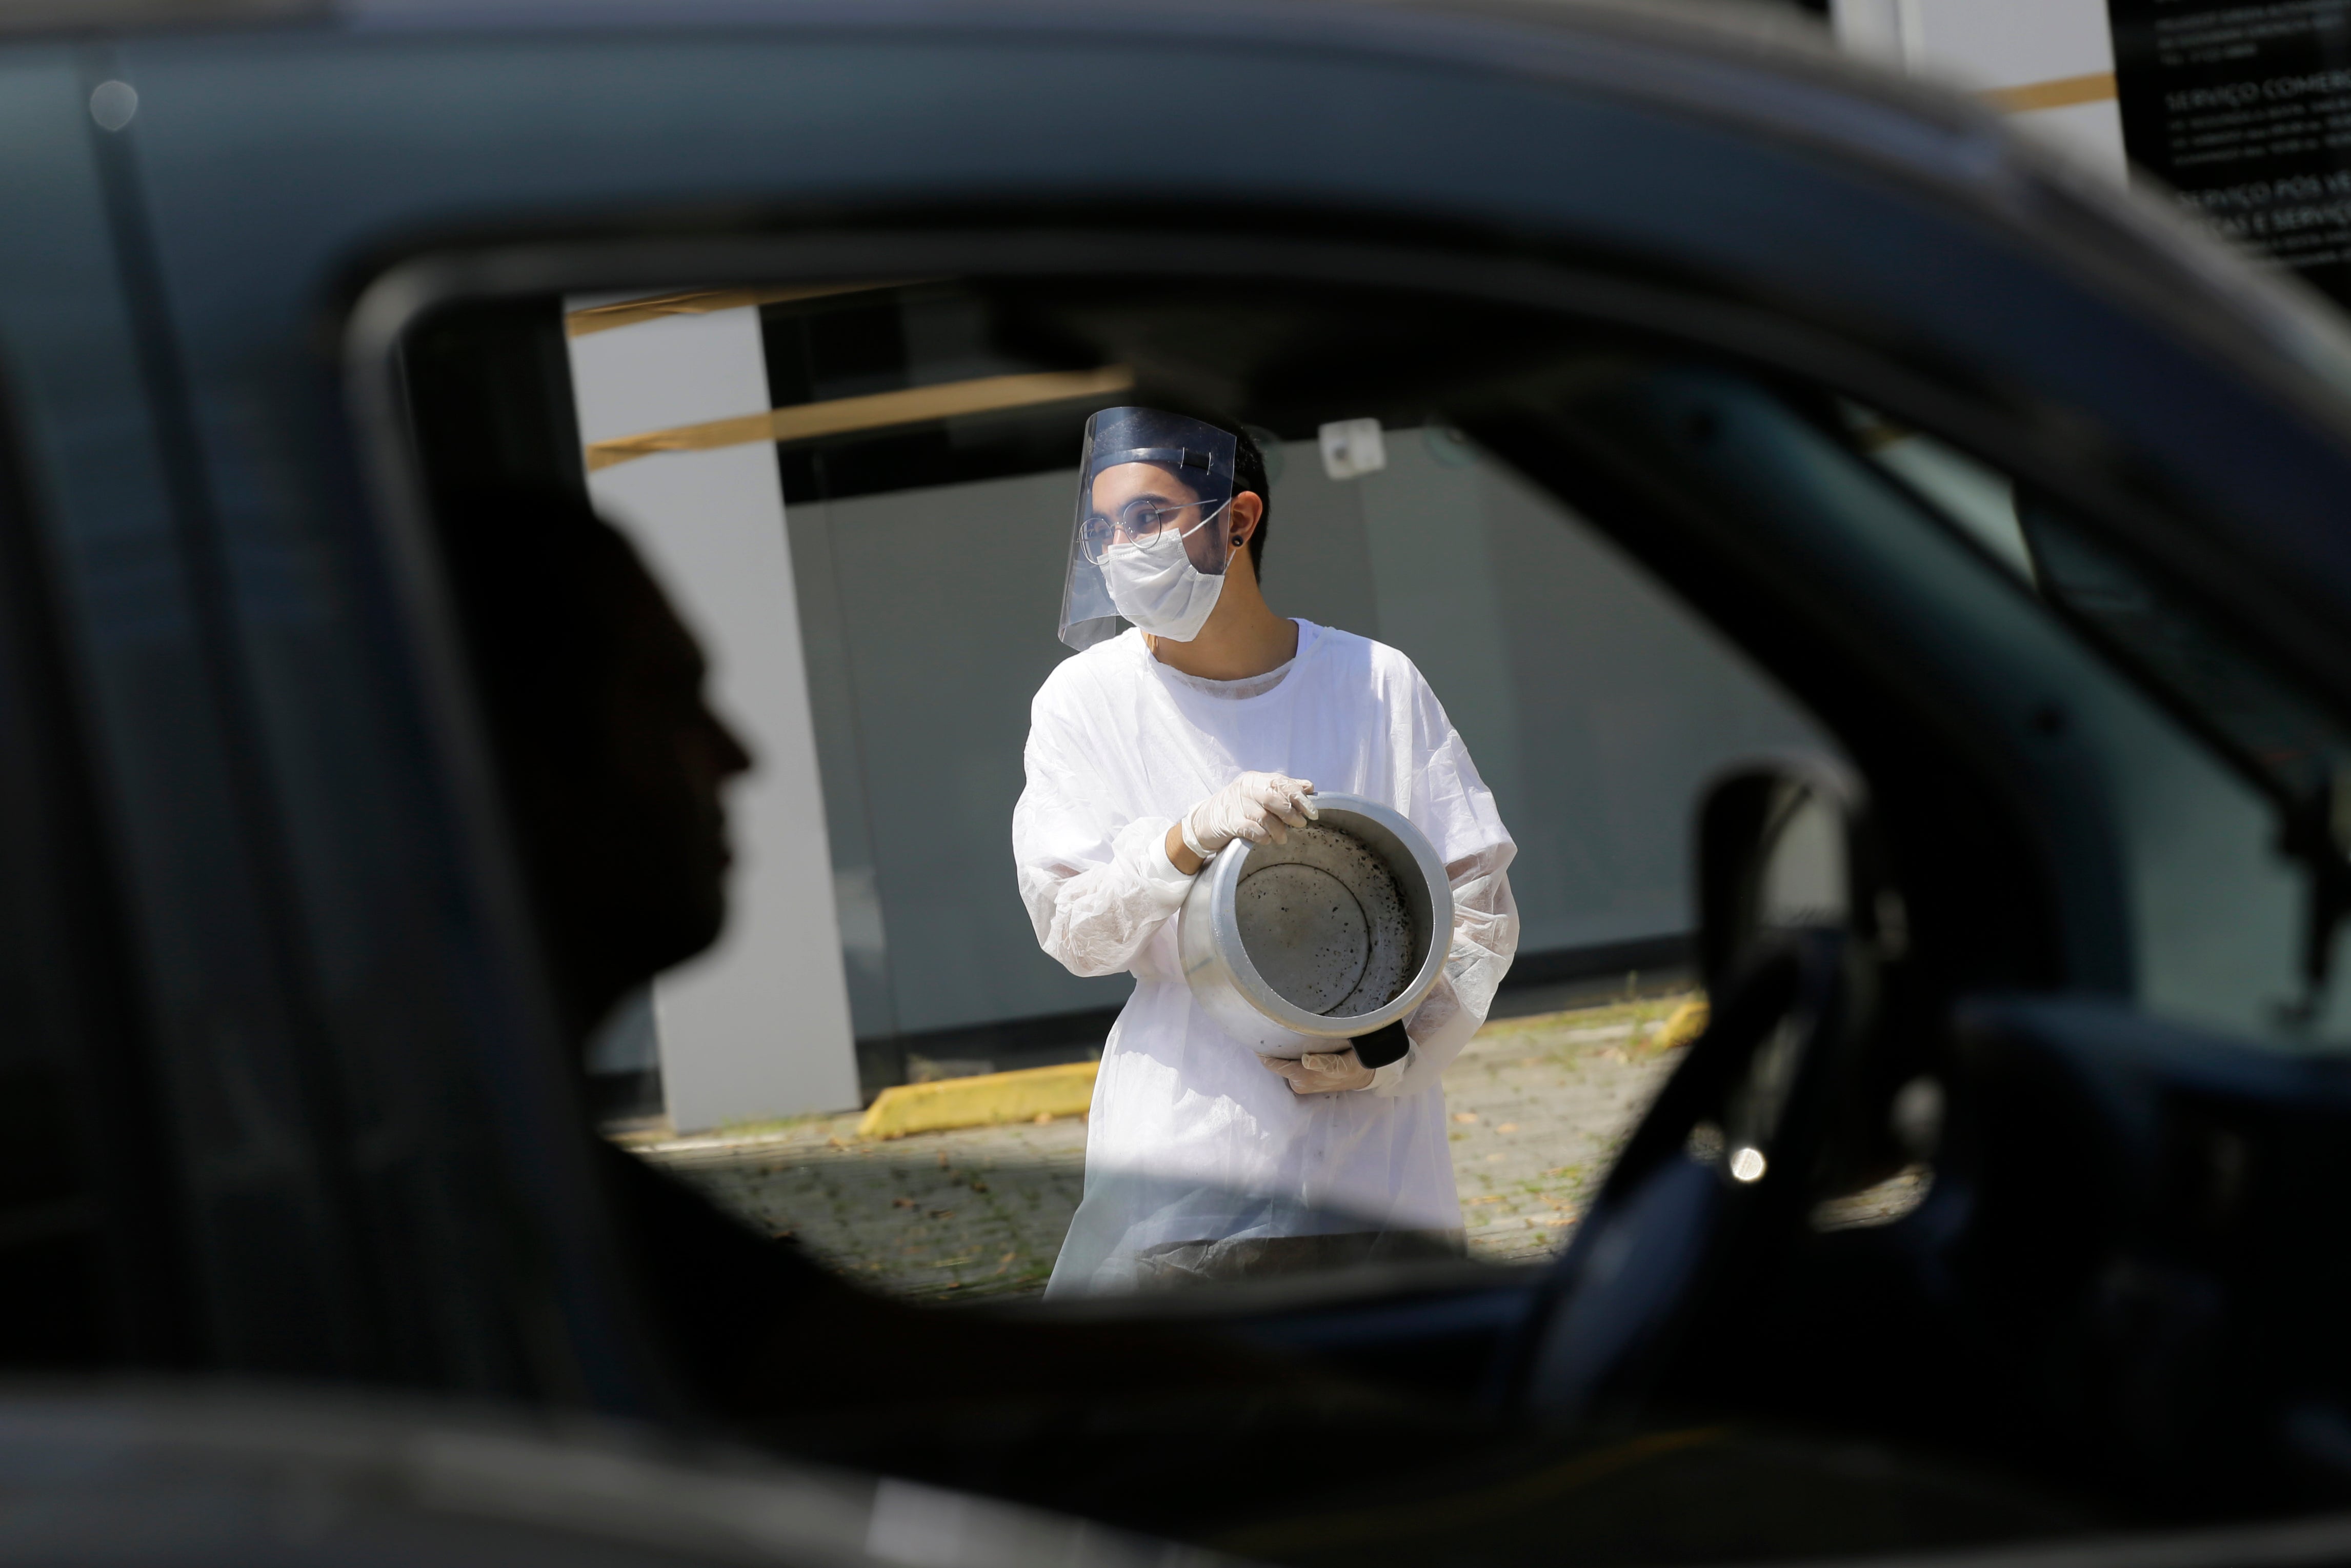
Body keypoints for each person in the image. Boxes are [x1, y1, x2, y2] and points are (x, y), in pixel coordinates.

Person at [1015, 408, 1521, 1293]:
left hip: (1375, 1171)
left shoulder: (1372, 682)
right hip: (1191, 1158)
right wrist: (1183, 842)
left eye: (1148, 518)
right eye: (1104, 529)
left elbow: (1472, 900)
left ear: (1238, 520)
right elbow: (1072, 928)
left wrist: (1390, 1054)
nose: (1122, 547)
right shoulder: (1086, 702)